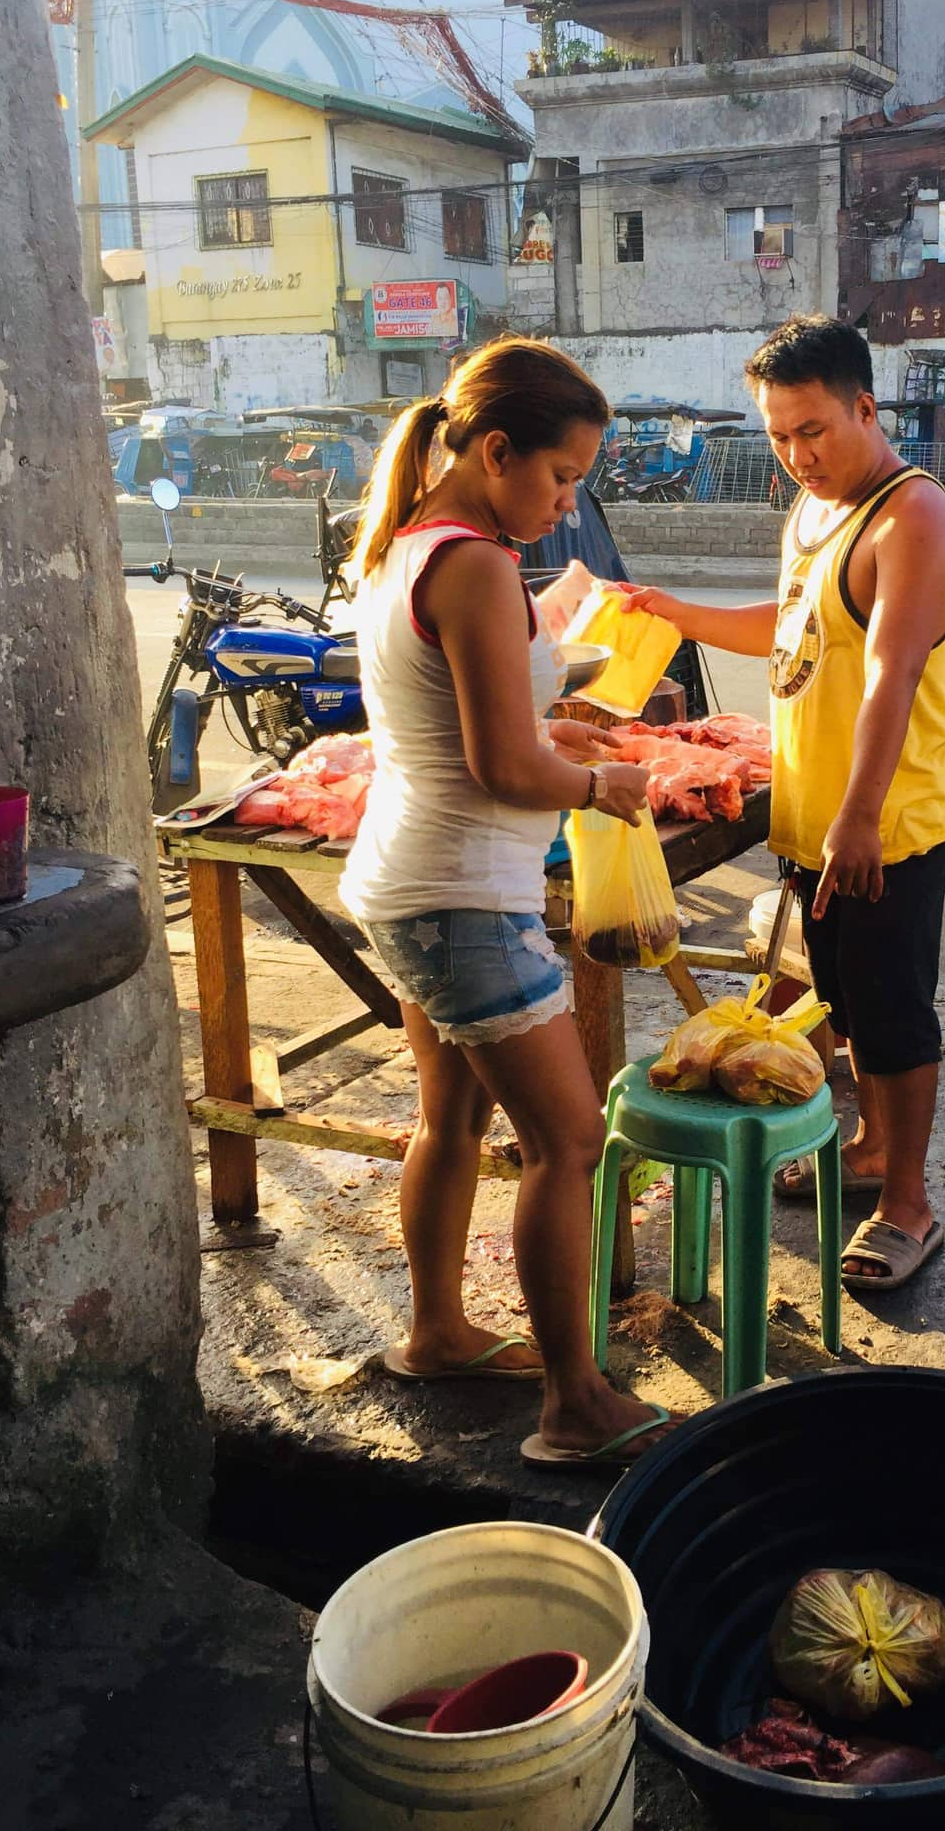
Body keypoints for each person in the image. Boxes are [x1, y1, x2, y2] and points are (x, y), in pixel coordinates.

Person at [339, 336, 673, 1471]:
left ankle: (436, 1334)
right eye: (561, 475)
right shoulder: (475, 562)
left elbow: (463, 730)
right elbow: (494, 767)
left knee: (454, 1118)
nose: (568, 500)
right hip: (462, 900)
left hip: (414, 879)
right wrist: (600, 783)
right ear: (494, 449)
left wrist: (558, 733)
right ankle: (575, 1402)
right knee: (570, 1140)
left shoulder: (405, 545)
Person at [623, 316, 945, 1294]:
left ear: (866, 407)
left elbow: (891, 677)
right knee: (847, 1003)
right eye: (778, 435)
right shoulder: (812, 514)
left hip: (890, 821)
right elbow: (791, 635)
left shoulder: (914, 519)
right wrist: (672, 610)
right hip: (816, 816)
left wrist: (858, 816)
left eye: (813, 430)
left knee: (896, 1017)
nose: (796, 455)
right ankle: (867, 1149)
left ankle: (908, 1206)